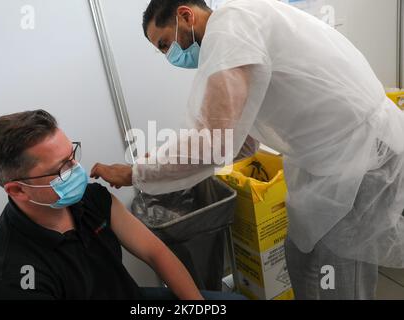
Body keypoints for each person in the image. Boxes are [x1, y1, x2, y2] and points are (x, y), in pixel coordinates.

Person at [91, 0, 404, 300]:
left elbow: (214, 143)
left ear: (186, 16)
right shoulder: (238, 32)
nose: (168, 55)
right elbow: (242, 143)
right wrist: (162, 162)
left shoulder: (231, 27)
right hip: (325, 161)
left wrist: (136, 172)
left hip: (360, 157)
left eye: (164, 44)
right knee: (302, 258)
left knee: (338, 274)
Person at [0, 109, 245, 300]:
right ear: (18, 189)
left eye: (72, 155)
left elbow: (155, 252)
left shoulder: (91, 200)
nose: (77, 169)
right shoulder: (8, 280)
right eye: (62, 168)